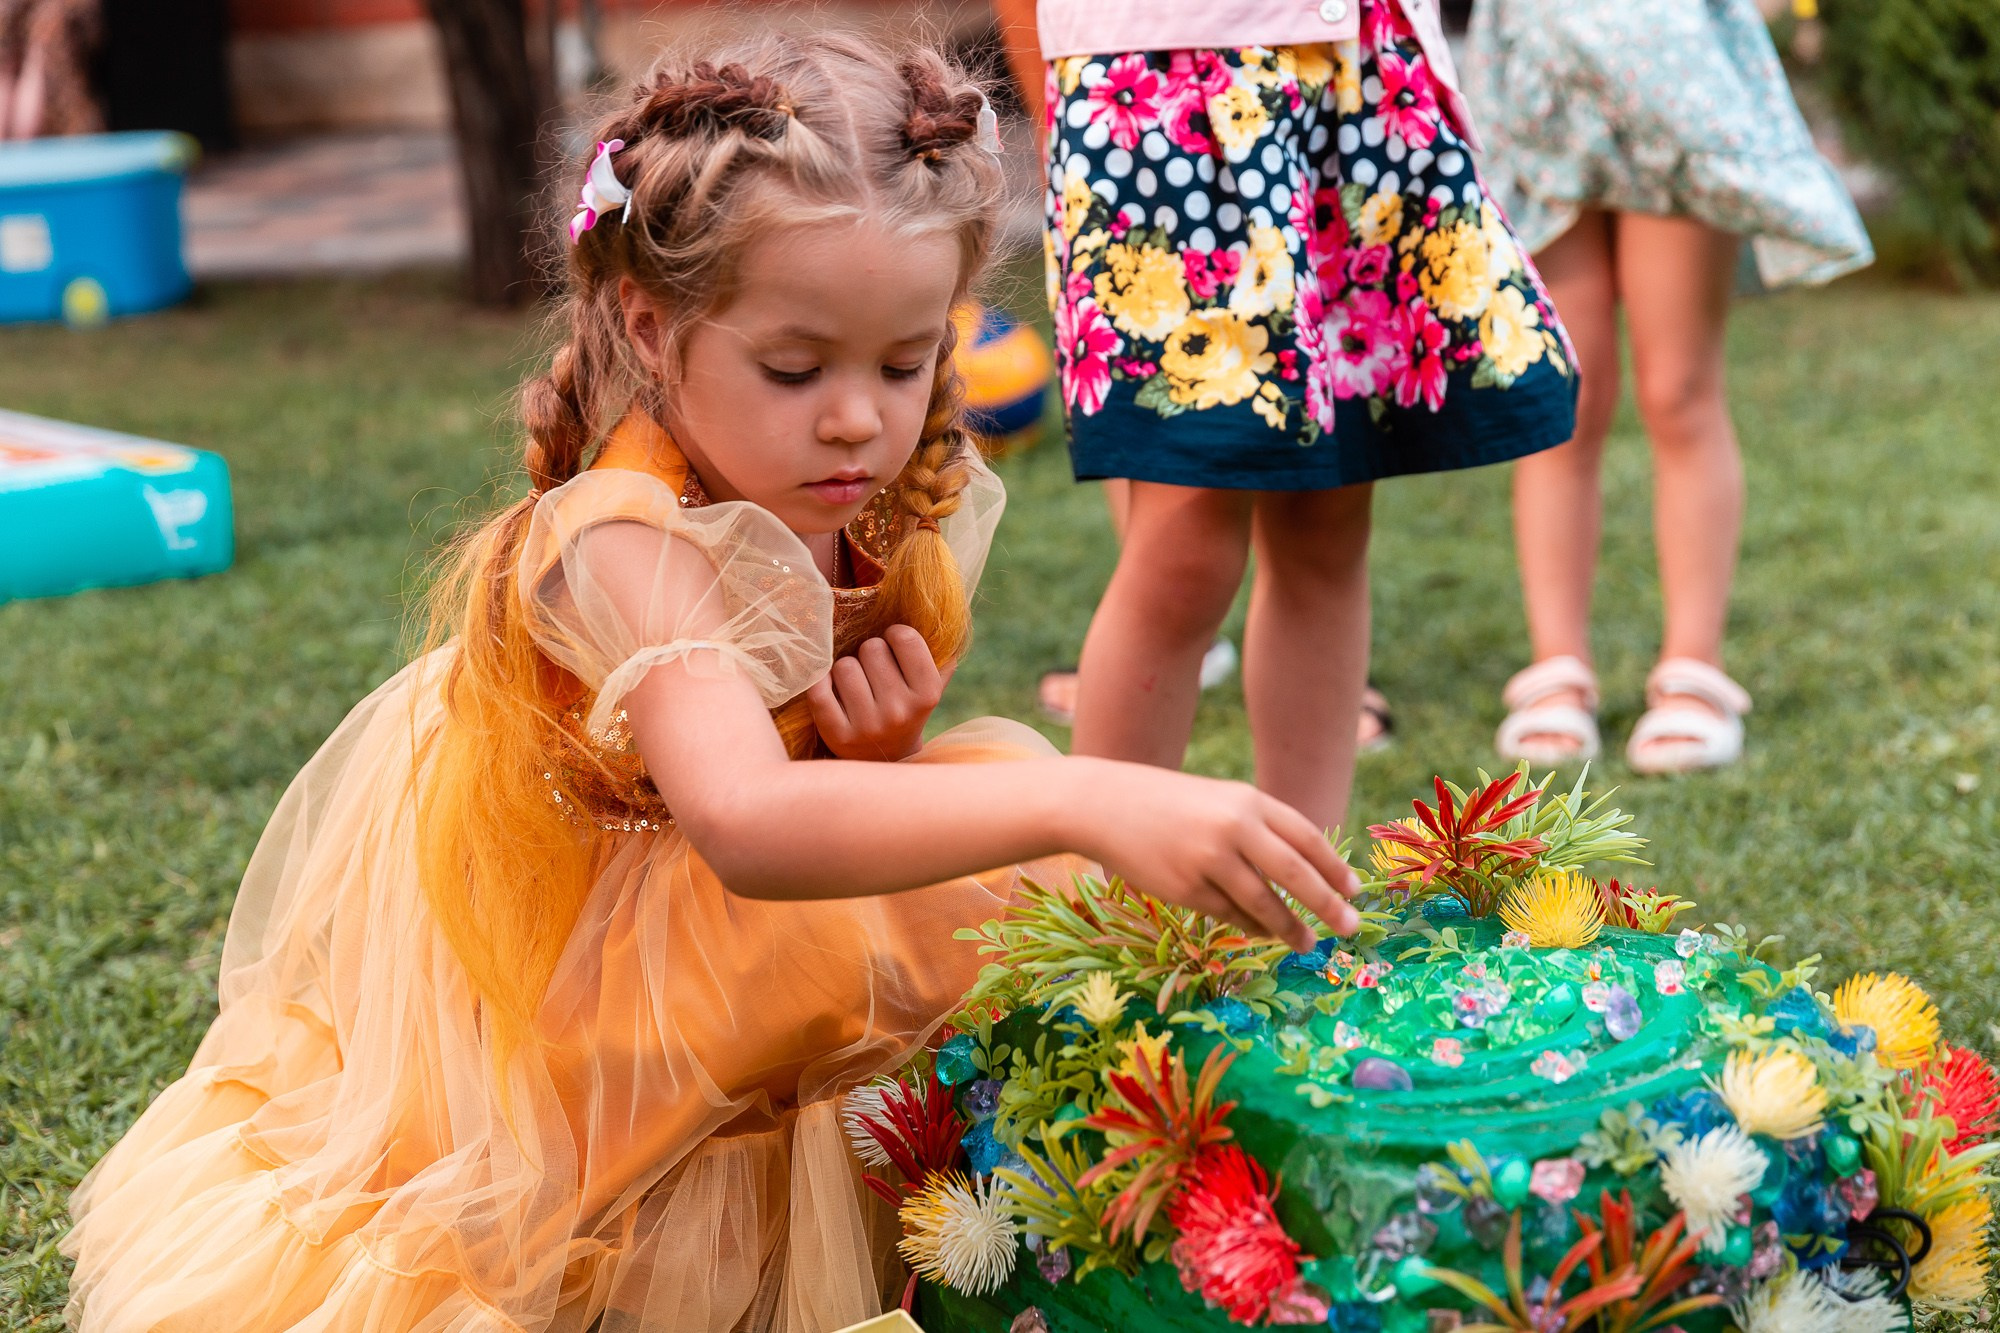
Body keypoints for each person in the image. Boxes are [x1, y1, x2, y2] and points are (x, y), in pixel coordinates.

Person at [60, 36, 1360, 1333]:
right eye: (796, 370)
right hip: (609, 978)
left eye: (904, 364)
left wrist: (876, 745)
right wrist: (1087, 800)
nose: (856, 418)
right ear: (649, 325)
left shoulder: (862, 478)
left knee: (971, 842)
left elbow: (793, 779)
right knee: (1015, 822)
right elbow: (741, 820)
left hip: (740, 924)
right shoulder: (627, 538)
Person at [1040, 0, 1580, 832]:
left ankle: (1303, 903)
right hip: (1165, 76)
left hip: (1352, 74)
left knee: (1326, 514)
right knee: (1184, 542)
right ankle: (1096, 921)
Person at [1469, 0, 1872, 773]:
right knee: (1564, 396)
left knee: (1678, 389)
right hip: (1535, 82)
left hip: (1673, 74)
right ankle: (1558, 670)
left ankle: (1693, 673)